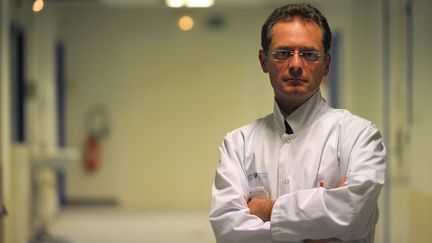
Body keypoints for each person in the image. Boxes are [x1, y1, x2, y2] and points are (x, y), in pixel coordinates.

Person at [209, 3, 386, 243]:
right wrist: (323, 219)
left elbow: (353, 212)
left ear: (326, 64)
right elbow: (229, 231)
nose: (295, 64)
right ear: (263, 61)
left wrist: (268, 210)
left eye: (309, 54)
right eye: (283, 53)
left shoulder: (359, 136)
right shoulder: (237, 144)